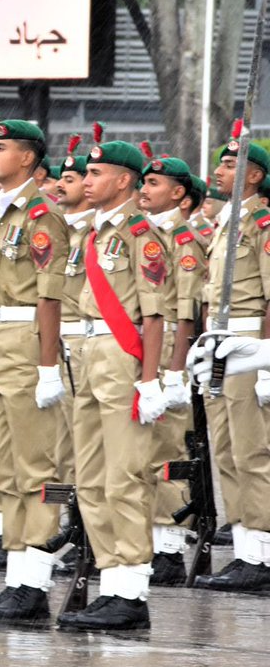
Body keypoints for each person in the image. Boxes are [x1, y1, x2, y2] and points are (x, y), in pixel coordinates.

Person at [58, 133, 168, 631]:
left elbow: (154, 314)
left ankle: (132, 591)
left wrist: (150, 381)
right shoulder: (94, 234)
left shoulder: (141, 234)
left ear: (124, 181)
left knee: (125, 477)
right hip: (89, 358)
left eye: (96, 173)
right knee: (91, 478)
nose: (88, 179)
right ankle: (112, 579)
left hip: (123, 360)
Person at [0, 105, 69, 622]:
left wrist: (48, 366)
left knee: (36, 468)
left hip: (28, 347)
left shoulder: (39, 216)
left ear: (27, 158)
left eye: (0, 147)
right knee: (5, 470)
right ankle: (17, 574)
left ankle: (35, 582)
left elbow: (51, 297)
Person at [187, 136, 270, 593]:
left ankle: (262, 554)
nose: (218, 172)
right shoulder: (227, 221)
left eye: (231, 165)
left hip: (250, 341)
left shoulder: (262, 222)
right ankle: (244, 548)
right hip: (219, 343)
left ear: (254, 176)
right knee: (226, 449)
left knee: (252, 449)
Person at [135, 150, 207, 586]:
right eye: (143, 182)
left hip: (168, 358)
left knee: (167, 452)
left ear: (179, 194)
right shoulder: (147, 237)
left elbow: (186, 311)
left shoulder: (183, 243)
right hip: (145, 353)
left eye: (155, 184)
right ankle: (149, 539)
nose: (145, 189)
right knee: (142, 453)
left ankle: (169, 548)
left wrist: (177, 370)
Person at [52, 139, 93, 485]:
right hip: (55, 338)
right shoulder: (56, 228)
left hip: (82, 339)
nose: (60, 185)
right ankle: (71, 513)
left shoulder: (97, 231)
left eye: (71, 178)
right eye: (60, 178)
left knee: (84, 431)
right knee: (59, 438)